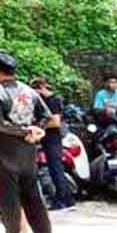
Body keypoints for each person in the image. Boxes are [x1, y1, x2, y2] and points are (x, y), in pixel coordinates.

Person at [0, 51, 52, 233]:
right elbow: (47, 116)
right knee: (33, 199)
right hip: (28, 155)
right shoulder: (28, 91)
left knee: (8, 200)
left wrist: (24, 131)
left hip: (3, 156)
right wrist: (35, 130)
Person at [29, 78, 74, 211]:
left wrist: (37, 126)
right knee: (53, 169)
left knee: (56, 169)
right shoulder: (43, 101)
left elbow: (55, 122)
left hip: (53, 139)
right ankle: (60, 198)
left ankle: (65, 200)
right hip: (45, 139)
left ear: (42, 87)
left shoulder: (54, 100)